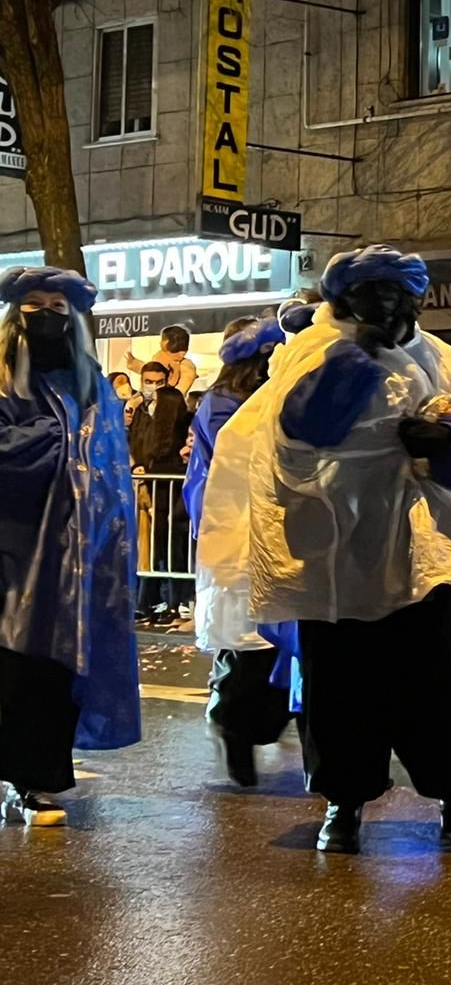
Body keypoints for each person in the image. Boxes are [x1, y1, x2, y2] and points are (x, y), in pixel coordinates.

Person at [193, 245, 451, 854]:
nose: (386, 305)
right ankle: (343, 804)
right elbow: (300, 434)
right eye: (370, 293)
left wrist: (446, 438)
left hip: (417, 551)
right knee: (340, 686)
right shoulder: (313, 353)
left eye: (397, 293)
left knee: (435, 681)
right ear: (343, 301)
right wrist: (358, 358)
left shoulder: (438, 359)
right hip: (335, 555)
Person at [0, 267, 140, 826]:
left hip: (76, 555)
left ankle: (37, 779)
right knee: (13, 664)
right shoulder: (6, 380)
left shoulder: (92, 383)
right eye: (34, 304)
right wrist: (54, 441)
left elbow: (108, 470)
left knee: (55, 670)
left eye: (58, 305)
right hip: (12, 549)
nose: (46, 315)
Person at [185, 316, 291, 788]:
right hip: (241, 536)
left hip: (278, 533)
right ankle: (237, 726)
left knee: (278, 642)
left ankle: (254, 723)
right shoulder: (224, 405)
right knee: (251, 642)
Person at [128, 359, 192, 623]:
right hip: (149, 489)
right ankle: (149, 601)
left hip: (168, 489)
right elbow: (136, 444)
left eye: (158, 382)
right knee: (151, 548)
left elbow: (162, 446)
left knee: (171, 546)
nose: (152, 388)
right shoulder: (140, 411)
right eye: (148, 382)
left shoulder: (173, 406)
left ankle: (173, 603)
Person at [126, 324, 197, 394]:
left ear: (165, 342)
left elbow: (178, 394)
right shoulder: (160, 356)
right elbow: (155, 372)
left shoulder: (186, 368)